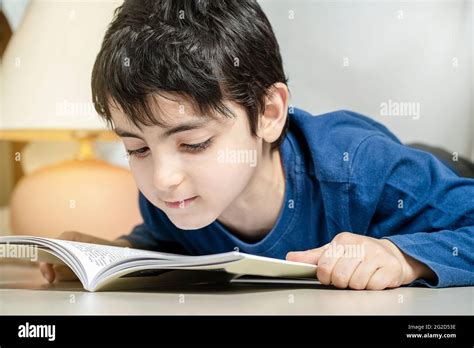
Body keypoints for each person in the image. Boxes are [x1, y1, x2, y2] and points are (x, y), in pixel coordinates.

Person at [40, 0, 474, 290]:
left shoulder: (362, 169)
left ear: (268, 113)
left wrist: (402, 258)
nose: (163, 178)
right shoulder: (176, 199)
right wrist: (115, 255)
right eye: (137, 149)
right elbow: (174, 247)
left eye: (194, 143)